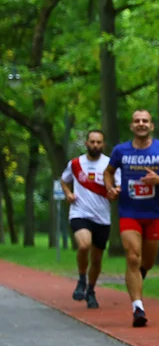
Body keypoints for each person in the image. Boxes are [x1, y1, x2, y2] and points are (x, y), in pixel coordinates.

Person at [104, 110, 159, 327]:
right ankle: (138, 308)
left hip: (154, 214)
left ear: (151, 126)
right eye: (136, 121)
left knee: (146, 262)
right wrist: (110, 188)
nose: (141, 124)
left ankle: (136, 279)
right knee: (133, 257)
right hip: (129, 213)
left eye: (145, 121)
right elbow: (108, 172)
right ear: (131, 126)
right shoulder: (120, 150)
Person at [59, 130, 120, 309]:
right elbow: (64, 180)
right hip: (80, 213)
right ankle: (81, 279)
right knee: (84, 245)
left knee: (97, 258)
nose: (95, 145)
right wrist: (68, 193)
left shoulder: (110, 164)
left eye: (99, 142)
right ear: (86, 143)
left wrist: (116, 192)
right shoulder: (76, 164)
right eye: (92, 142)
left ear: (104, 145)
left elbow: (119, 185)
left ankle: (91, 290)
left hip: (102, 216)